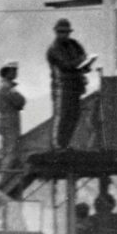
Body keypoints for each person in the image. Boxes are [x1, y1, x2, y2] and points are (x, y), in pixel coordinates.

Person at [46, 18, 94, 150]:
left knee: (74, 116)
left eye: (66, 32)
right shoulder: (54, 49)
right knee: (61, 116)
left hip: (76, 85)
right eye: (61, 32)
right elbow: (66, 65)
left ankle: (65, 144)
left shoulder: (74, 44)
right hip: (61, 87)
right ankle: (56, 146)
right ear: (56, 32)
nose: (64, 35)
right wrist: (81, 62)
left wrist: (86, 65)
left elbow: (82, 59)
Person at [0, 61, 26, 172]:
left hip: (6, 120)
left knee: (8, 150)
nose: (16, 73)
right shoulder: (5, 87)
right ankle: (5, 178)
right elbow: (20, 101)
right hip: (9, 121)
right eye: (13, 70)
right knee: (11, 151)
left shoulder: (3, 87)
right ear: (7, 72)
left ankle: (5, 176)